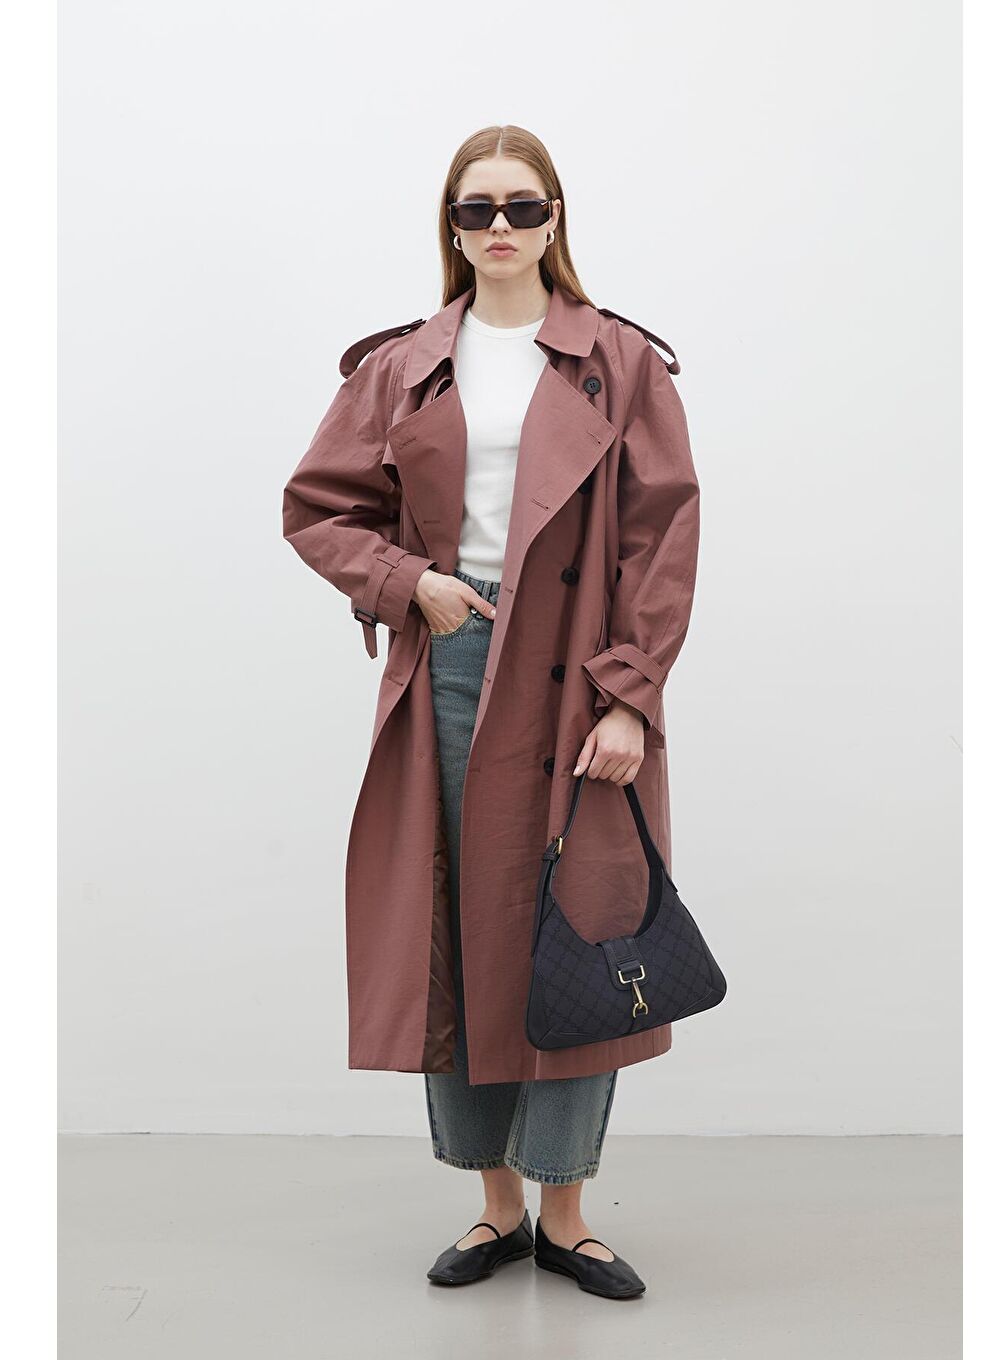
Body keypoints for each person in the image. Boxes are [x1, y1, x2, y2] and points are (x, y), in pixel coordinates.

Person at [282, 125, 700, 1300]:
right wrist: (407, 582)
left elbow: (660, 535)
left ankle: (567, 1213)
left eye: (523, 205)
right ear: (452, 227)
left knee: (580, 924)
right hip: (454, 658)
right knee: (460, 927)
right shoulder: (401, 366)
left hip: (580, 666)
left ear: (556, 217)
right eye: (478, 209)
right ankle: (496, 1205)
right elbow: (318, 508)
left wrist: (630, 697)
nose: (502, 227)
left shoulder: (621, 361)